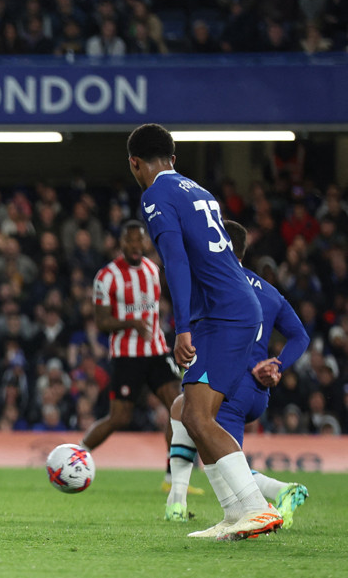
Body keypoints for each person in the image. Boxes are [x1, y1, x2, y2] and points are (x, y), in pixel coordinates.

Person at [128, 123, 279, 542]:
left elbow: (174, 261)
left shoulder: (155, 195)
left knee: (196, 415)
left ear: (134, 163)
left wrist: (182, 327)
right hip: (229, 309)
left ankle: (254, 508)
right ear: (173, 159)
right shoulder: (200, 191)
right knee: (191, 415)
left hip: (222, 315)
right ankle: (235, 515)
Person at [165, 220, 310, 526]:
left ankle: (276, 494)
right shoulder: (268, 291)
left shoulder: (213, 281)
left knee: (221, 457)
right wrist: (278, 364)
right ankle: (176, 500)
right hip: (257, 390)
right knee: (182, 409)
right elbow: (300, 336)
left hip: (229, 382)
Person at [81, 219, 189, 490]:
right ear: (121, 243)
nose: (134, 246)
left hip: (156, 351)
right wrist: (131, 322)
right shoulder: (106, 277)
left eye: (139, 240)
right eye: (129, 241)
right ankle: (77, 455)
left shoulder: (153, 270)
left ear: (145, 242)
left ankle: (172, 479)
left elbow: (155, 308)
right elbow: (102, 322)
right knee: (119, 418)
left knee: (179, 407)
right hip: (126, 356)